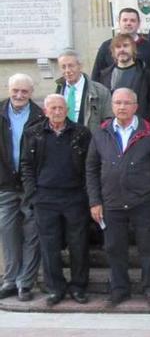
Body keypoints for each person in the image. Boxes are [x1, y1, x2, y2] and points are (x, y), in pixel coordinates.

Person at [86, 88, 150, 307]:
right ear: (112, 106)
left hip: (144, 200)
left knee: (148, 249)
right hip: (111, 202)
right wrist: (95, 200)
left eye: (126, 103)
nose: (121, 107)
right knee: (114, 248)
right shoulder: (101, 132)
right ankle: (119, 289)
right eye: (117, 103)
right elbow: (91, 168)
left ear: (136, 106)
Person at [20, 95, 92, 306]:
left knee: (79, 244)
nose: (57, 112)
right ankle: (55, 289)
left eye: (61, 108)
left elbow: (90, 165)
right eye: (53, 108)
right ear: (45, 110)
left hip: (75, 197)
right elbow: (26, 165)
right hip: (45, 198)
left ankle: (79, 287)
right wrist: (33, 194)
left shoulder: (81, 133)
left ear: (67, 109)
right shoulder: (33, 133)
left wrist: (87, 194)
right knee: (49, 246)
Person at [0, 74, 44, 303]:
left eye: (24, 92)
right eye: (15, 91)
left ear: (31, 92)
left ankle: (25, 282)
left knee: (32, 234)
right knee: (8, 233)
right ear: (9, 89)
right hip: (5, 183)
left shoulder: (40, 116)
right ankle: (10, 279)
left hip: (31, 185)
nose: (19, 95)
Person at [95, 33, 150, 122]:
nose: (122, 50)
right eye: (118, 47)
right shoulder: (105, 75)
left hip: (139, 127)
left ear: (133, 49)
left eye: (126, 46)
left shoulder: (146, 73)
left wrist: (144, 121)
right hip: (112, 128)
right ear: (113, 52)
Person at [91, 8, 150, 82]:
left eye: (132, 20)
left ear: (139, 23)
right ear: (119, 22)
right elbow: (96, 76)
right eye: (125, 20)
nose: (128, 23)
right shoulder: (106, 46)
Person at [55, 49, 112, 132]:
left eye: (71, 66)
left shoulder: (100, 91)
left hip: (90, 141)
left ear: (80, 66)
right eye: (63, 67)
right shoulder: (57, 91)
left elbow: (109, 120)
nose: (67, 70)